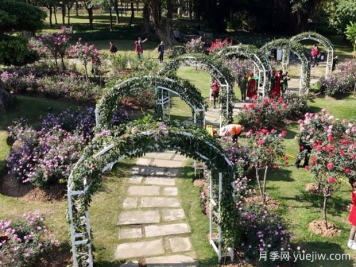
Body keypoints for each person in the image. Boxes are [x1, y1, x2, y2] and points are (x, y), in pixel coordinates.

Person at [348, 178, 356, 250]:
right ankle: (350, 242)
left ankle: (354, 242)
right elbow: (354, 201)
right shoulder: (354, 192)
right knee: (354, 227)